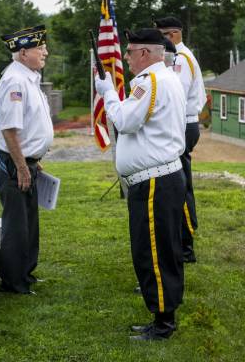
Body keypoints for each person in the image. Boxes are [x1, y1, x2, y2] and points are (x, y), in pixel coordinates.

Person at [95, 28, 186, 341]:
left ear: (145, 53)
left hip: (154, 183)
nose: (126, 57)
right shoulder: (166, 79)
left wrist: (107, 92)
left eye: (130, 51)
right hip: (160, 179)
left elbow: (124, 121)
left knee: (154, 255)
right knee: (162, 250)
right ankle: (162, 316)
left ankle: (163, 324)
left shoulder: (151, 83)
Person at [0, 24, 54, 295]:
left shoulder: (28, 76)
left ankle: (25, 274)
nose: (46, 52)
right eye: (41, 48)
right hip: (12, 162)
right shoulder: (15, 81)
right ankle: (13, 282)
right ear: (24, 51)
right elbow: (9, 129)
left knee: (29, 220)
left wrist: (33, 158)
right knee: (17, 223)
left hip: (25, 160)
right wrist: (20, 165)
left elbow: (27, 125)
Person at [155, 17, 207, 263]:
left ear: (173, 34)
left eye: (162, 36)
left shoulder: (180, 59)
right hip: (183, 123)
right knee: (179, 182)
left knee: (181, 185)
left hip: (183, 124)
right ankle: (182, 241)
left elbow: (178, 96)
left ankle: (186, 246)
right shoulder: (180, 56)